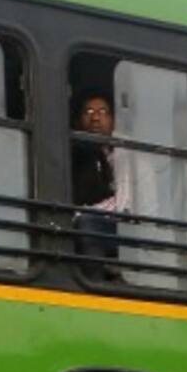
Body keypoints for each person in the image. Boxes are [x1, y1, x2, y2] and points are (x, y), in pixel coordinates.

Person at [73, 91, 122, 276]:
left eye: (102, 112)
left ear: (113, 121)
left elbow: (127, 201)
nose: (95, 118)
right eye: (89, 112)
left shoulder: (126, 154)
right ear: (79, 121)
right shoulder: (75, 152)